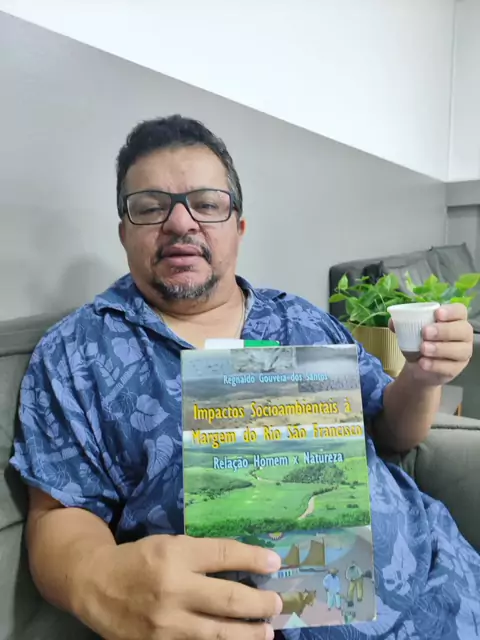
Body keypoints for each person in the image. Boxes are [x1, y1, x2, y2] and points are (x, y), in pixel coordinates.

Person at [10, 115, 480, 640]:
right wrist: (97, 579)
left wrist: (422, 377)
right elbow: (58, 513)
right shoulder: (78, 351)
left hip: (445, 582)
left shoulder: (299, 319)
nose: (180, 222)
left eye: (207, 204)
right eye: (150, 207)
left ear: (238, 226)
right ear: (124, 231)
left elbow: (393, 432)